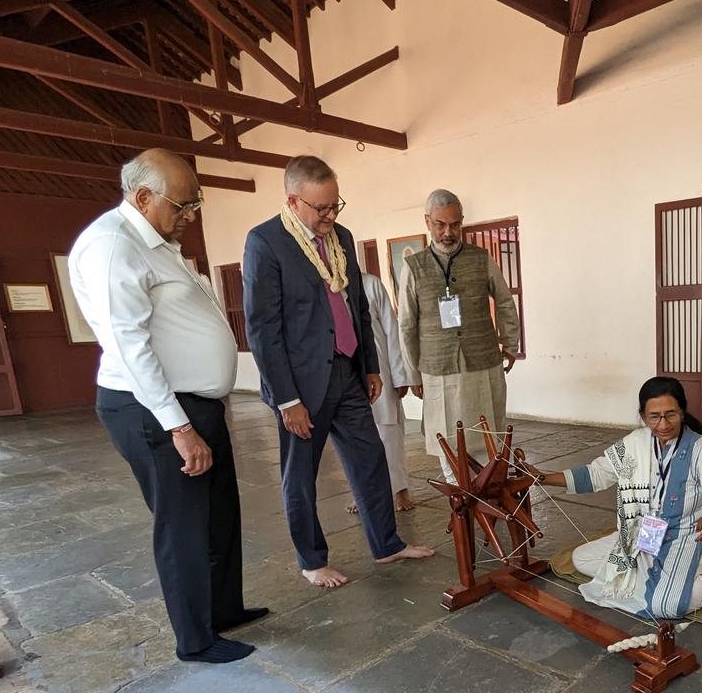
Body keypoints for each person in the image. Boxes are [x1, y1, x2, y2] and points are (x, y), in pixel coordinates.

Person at [70, 149, 266, 663]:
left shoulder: (157, 243)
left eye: (195, 203)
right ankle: (196, 639)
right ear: (142, 197)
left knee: (219, 514)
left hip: (194, 403)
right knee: (182, 526)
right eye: (183, 204)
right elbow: (129, 347)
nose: (191, 215)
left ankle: (223, 611)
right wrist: (179, 427)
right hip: (153, 410)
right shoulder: (113, 247)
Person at [242, 155, 432, 589]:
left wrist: (368, 365)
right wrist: (287, 399)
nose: (330, 215)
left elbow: (356, 307)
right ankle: (312, 560)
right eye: (321, 208)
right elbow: (263, 329)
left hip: (347, 372)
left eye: (335, 205)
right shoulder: (266, 243)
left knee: (370, 459)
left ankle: (386, 544)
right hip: (301, 387)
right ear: (293, 200)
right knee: (300, 477)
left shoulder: (341, 237)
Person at [523, 376, 702, 620]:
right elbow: (596, 474)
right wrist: (542, 478)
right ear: (643, 417)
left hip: (692, 536)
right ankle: (657, 577)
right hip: (647, 536)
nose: (663, 425)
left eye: (671, 415)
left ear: (682, 412)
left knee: (668, 606)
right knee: (582, 559)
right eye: (654, 417)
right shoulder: (634, 444)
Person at [397, 189, 520, 484]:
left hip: (484, 363)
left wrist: (510, 343)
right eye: (441, 224)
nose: (449, 232)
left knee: (489, 430)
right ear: (428, 222)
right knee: (448, 436)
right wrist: (413, 374)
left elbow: (504, 301)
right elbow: (407, 325)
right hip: (439, 370)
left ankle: (488, 490)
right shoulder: (413, 267)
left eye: (455, 224)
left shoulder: (481, 259)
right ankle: (461, 496)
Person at [358, 271, 420, 511]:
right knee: (354, 437)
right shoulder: (322, 286)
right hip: (346, 373)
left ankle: (400, 490)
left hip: (380, 370)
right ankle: (362, 492)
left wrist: (399, 375)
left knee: (389, 434)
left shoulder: (370, 284)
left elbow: (392, 331)